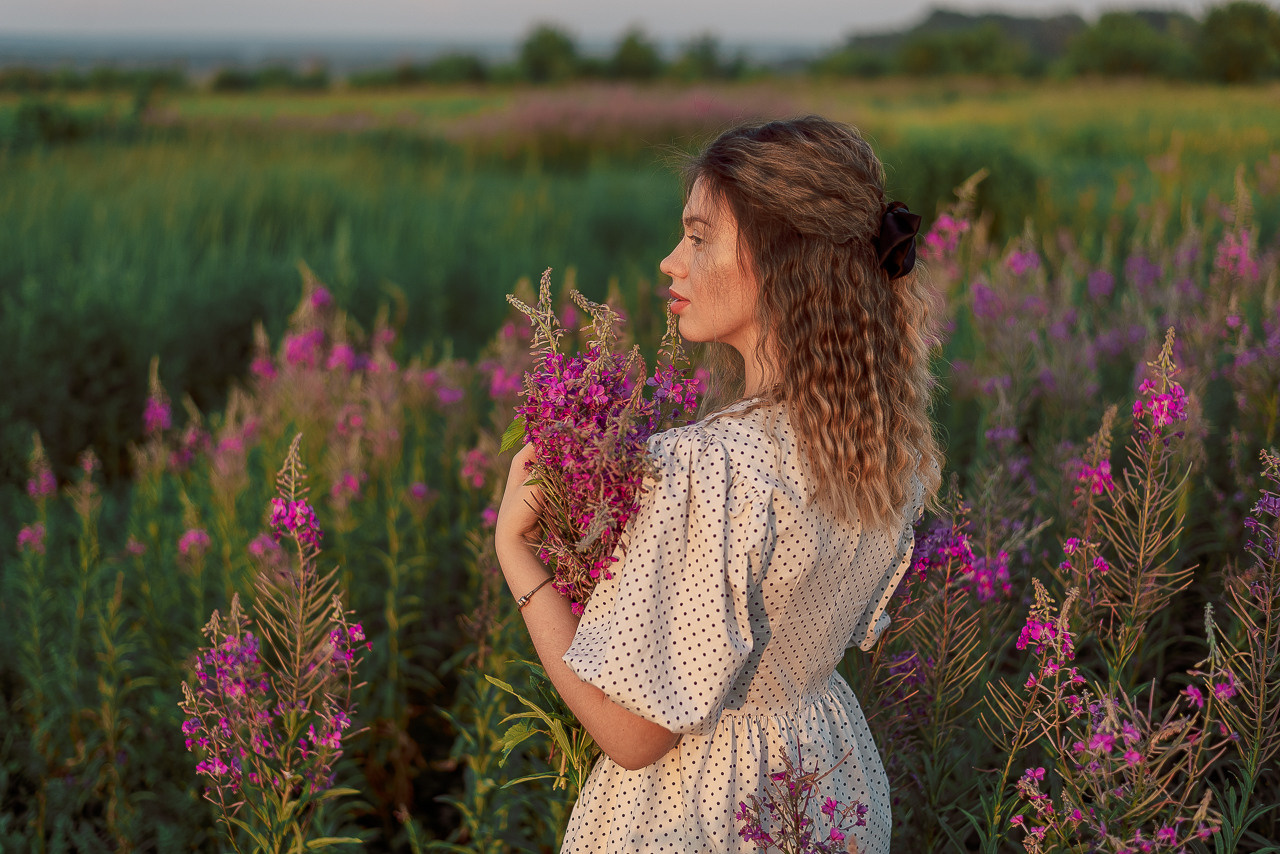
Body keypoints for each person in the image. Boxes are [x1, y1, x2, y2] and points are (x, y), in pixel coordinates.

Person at [494, 116, 943, 854]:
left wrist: (518, 555)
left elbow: (634, 735)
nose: (671, 261)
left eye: (698, 237)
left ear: (780, 260)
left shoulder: (710, 467)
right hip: (826, 776)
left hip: (707, 806)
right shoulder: (884, 448)